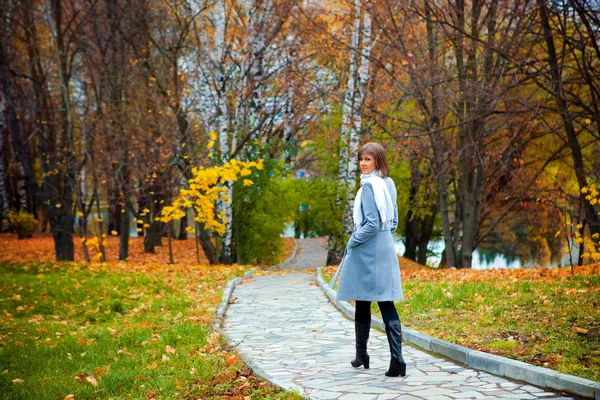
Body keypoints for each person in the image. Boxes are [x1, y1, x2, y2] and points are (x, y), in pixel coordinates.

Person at [336, 142, 406, 377]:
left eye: (368, 159)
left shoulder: (368, 187)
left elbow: (371, 224)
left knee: (367, 299)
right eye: (361, 159)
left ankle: (364, 354)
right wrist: (385, 235)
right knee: (378, 300)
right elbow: (392, 220)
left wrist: (352, 241)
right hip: (385, 247)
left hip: (367, 249)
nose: (363, 164)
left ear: (378, 160)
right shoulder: (389, 183)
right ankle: (390, 359)